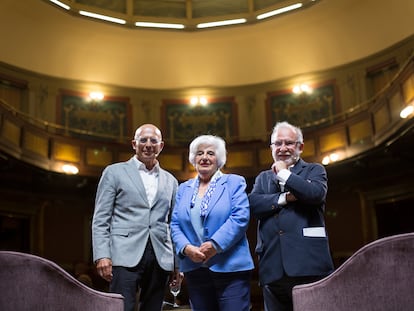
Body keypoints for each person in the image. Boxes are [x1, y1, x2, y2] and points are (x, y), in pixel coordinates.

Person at [92, 124, 179, 311]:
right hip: (123, 254)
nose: (148, 144)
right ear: (134, 144)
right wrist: (102, 255)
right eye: (143, 140)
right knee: (121, 308)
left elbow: (174, 224)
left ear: (161, 146)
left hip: (161, 256)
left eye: (153, 140)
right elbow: (101, 218)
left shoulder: (171, 180)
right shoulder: (114, 172)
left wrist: (177, 264)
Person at [248, 121, 334, 311]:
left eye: (289, 143)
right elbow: (253, 204)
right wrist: (286, 197)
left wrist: (284, 174)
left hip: (309, 266)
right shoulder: (263, 178)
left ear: (300, 147)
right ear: (271, 148)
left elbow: (314, 194)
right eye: (277, 144)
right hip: (273, 268)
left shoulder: (314, 170)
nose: (283, 148)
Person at [171, 135, 254, 311]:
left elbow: (240, 217)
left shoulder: (234, 182)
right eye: (200, 153)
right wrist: (186, 248)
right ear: (194, 159)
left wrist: (215, 245)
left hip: (231, 268)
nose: (205, 157)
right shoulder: (183, 188)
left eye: (211, 153)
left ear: (219, 159)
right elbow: (175, 224)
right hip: (196, 269)